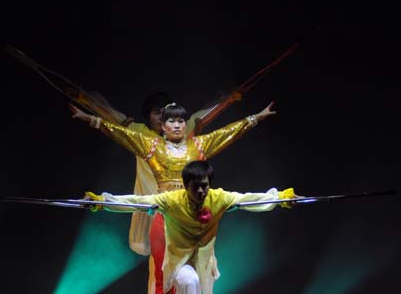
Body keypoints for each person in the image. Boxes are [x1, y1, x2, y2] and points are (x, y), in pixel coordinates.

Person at [70, 101, 275, 294]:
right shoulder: (152, 146)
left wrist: (257, 117)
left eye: (181, 121)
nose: (177, 125)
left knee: (198, 277)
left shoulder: (198, 146)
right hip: (166, 217)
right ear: (163, 125)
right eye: (171, 121)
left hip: (193, 218)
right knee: (165, 278)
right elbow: (120, 134)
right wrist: (88, 118)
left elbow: (228, 133)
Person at [83, 160, 298, 294]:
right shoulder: (172, 200)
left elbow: (250, 200)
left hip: (205, 262)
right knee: (189, 280)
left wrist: (280, 198)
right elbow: (137, 202)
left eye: (205, 186)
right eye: (197, 187)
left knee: (198, 284)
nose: (202, 191)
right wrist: (102, 201)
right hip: (178, 262)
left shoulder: (219, 198)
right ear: (186, 185)